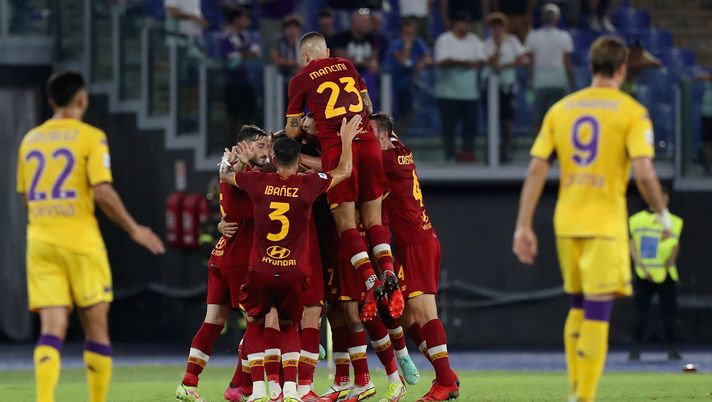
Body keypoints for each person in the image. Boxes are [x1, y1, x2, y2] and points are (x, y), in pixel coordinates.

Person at [513, 36, 671, 402]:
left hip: (566, 222)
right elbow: (645, 173)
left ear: (591, 67)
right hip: (605, 224)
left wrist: (523, 224)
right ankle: (584, 397)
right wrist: (661, 212)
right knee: (599, 308)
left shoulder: (561, 109)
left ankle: (574, 390)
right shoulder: (631, 111)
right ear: (621, 69)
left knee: (578, 306)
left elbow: (536, 169)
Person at [16, 70, 165, 402]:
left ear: (52, 101)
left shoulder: (30, 140)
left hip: (39, 241)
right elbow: (103, 192)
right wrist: (134, 229)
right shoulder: (90, 136)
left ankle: (44, 399)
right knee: (96, 329)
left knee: (51, 329)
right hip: (81, 242)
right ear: (81, 100)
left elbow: (26, 196)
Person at [219, 115, 362, 402]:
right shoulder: (309, 184)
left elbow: (225, 175)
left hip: (261, 268)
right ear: (298, 161)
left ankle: (262, 391)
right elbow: (345, 170)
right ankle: (293, 392)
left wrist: (233, 160)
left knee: (257, 323)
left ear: (273, 155)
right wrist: (346, 140)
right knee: (291, 324)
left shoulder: (258, 181)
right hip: (294, 270)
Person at [285, 32, 404, 322]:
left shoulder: (300, 79)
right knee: (374, 219)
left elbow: (290, 131)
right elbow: (368, 107)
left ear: (304, 57)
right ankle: (388, 271)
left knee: (346, 225)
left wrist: (301, 128)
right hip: (368, 143)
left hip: (338, 148)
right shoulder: (347, 65)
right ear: (326, 51)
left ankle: (370, 282)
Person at [176, 126, 271, 402]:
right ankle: (242, 385)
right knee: (259, 322)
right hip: (241, 259)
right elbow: (228, 175)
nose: (267, 151)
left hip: (222, 256)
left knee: (214, 319)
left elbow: (226, 176)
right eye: (261, 146)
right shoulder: (243, 174)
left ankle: (188, 382)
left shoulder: (236, 169)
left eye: (267, 146)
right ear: (244, 146)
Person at [371, 113, 459, 402]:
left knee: (424, 314)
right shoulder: (400, 150)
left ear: (384, 138)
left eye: (370, 134)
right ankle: (444, 371)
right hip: (418, 241)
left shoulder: (384, 159)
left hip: (416, 245)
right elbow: (386, 130)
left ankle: (445, 381)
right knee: (405, 316)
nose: (365, 140)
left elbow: (346, 164)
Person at [628, 186, 684, 362]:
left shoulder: (674, 221)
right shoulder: (636, 220)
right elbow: (632, 243)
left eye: (663, 196)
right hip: (644, 274)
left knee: (669, 313)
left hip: (666, 274)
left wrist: (671, 261)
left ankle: (672, 350)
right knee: (640, 313)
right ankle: (635, 350)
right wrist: (640, 266)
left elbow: (675, 245)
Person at [434, 12, 486, 162]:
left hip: (470, 94)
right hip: (447, 93)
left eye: (467, 23)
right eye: (461, 22)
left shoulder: (474, 40)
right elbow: (442, 61)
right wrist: (465, 64)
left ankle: (467, 154)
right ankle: (449, 155)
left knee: (470, 126)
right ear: (454, 24)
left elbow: (481, 61)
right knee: (448, 128)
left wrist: (459, 63)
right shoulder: (444, 40)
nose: (465, 26)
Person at [482, 12, 527, 163]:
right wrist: (498, 46)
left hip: (507, 86)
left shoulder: (512, 41)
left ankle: (503, 150)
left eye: (499, 25)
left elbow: (523, 59)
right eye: (494, 26)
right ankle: (491, 153)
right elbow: (493, 63)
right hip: (490, 88)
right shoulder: (487, 43)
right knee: (492, 120)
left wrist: (508, 65)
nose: (497, 29)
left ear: (504, 27)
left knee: (507, 121)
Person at [524, 3, 574, 133]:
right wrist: (571, 81)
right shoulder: (564, 36)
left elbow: (529, 61)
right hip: (557, 82)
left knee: (539, 118)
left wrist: (531, 78)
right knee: (553, 117)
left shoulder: (533, 36)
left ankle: (540, 148)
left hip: (541, 82)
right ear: (557, 18)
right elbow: (567, 62)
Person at [219, 8, 261, 152]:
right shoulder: (226, 36)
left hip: (248, 81)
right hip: (232, 83)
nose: (246, 21)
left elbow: (255, 51)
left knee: (248, 116)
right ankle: (230, 149)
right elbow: (231, 59)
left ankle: (248, 148)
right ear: (236, 20)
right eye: (243, 18)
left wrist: (245, 54)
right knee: (233, 117)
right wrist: (247, 54)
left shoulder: (246, 36)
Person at [384, 18, 431, 135]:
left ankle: (395, 136)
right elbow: (403, 61)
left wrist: (421, 63)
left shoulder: (418, 42)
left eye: (412, 33)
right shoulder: (397, 44)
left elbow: (428, 58)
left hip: (407, 85)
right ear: (401, 33)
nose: (409, 36)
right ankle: (393, 136)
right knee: (394, 116)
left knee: (409, 116)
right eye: (407, 33)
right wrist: (407, 45)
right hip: (392, 86)